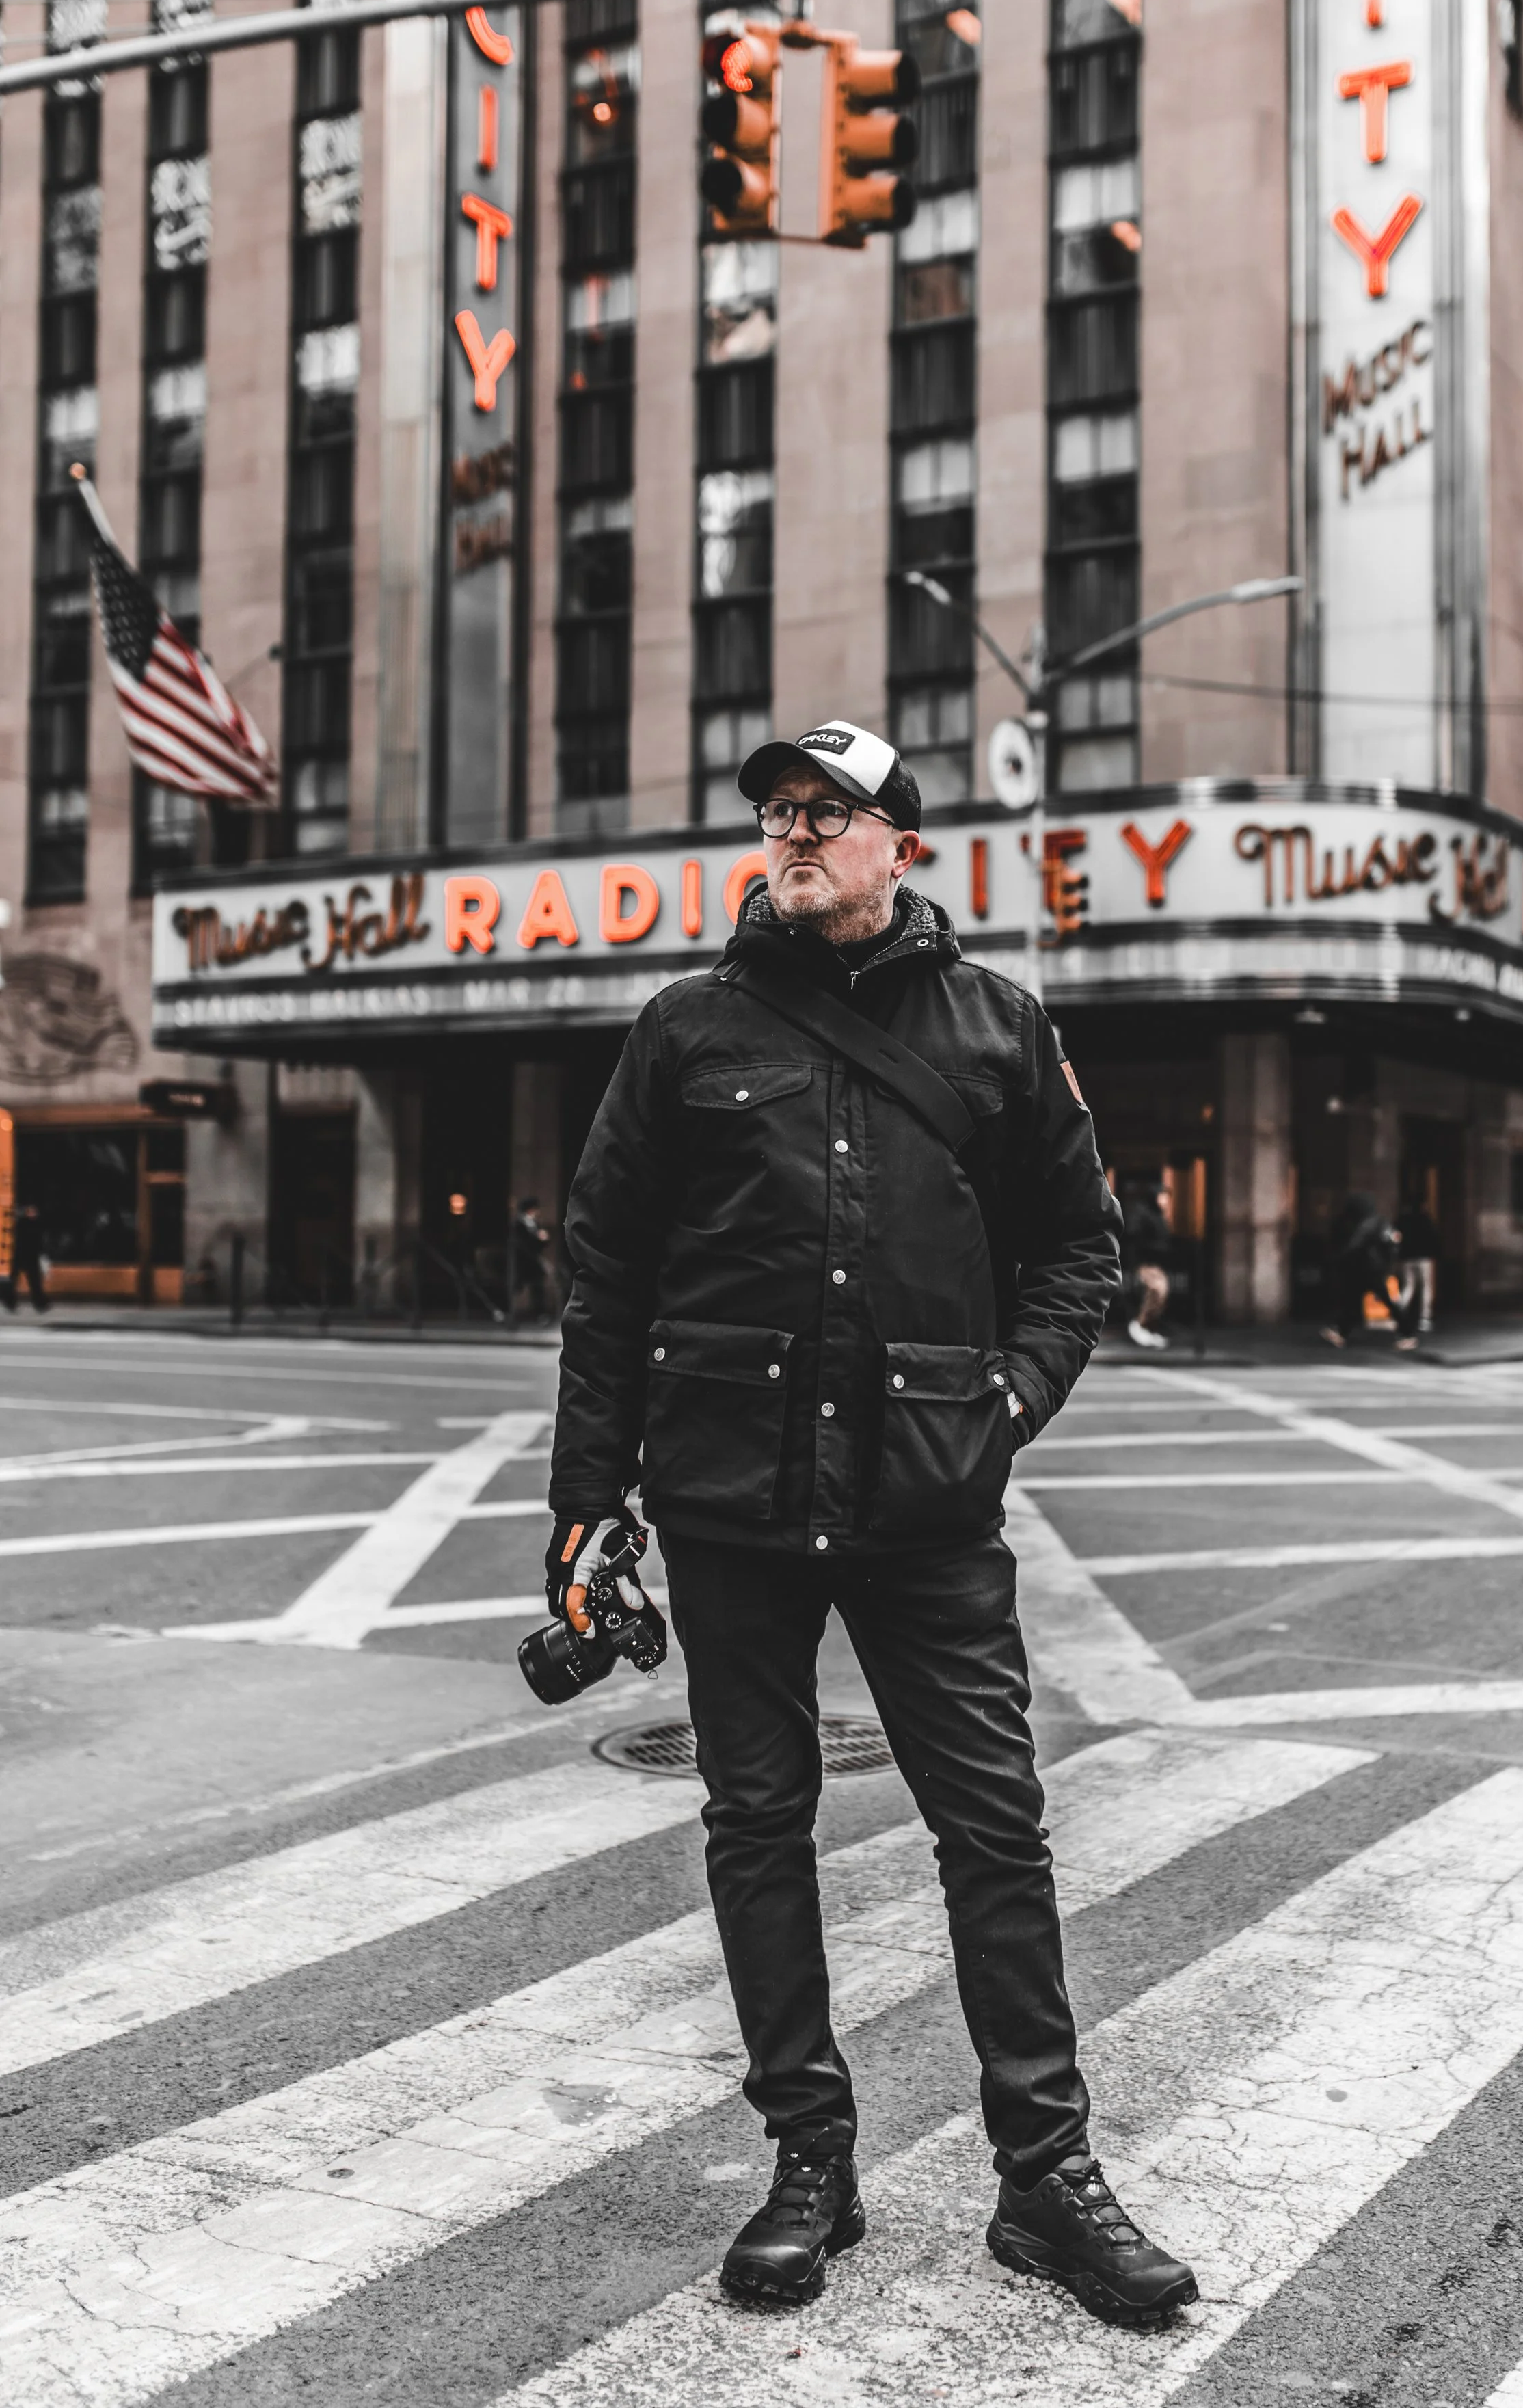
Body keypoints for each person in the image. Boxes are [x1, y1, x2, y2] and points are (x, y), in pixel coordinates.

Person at [545, 719, 1199, 2331]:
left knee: (994, 1825)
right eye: (777, 812)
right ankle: (810, 2161)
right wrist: (584, 1501)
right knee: (757, 1823)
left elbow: (1076, 1250)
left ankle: (1044, 2179)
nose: (793, 833)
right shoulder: (688, 1027)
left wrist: (1008, 1403)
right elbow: (605, 1270)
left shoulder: (995, 1027)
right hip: (727, 1500)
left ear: (903, 841)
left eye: (826, 812)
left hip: (927, 1499)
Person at [1321, 1192, 1396, 1348]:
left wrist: (1341, 1257)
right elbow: (1389, 1244)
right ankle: (1341, 1332)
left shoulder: (1366, 1224)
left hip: (1367, 1269)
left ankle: (1407, 1330)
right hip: (1369, 1268)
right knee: (1356, 1301)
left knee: (1374, 1300)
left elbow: (1355, 1245)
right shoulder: (1376, 1222)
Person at [1121, 1178, 1172, 1351]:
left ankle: (1149, 1327)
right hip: (1146, 1263)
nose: (1165, 1200)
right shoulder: (1144, 1214)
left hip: (1156, 1263)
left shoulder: (1159, 1215)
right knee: (1157, 1290)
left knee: (1161, 1294)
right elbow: (1135, 1237)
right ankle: (1141, 1325)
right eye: (1163, 1196)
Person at [1395, 1196, 1438, 1337]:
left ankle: (1399, 1315)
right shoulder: (1425, 1219)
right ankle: (1425, 1318)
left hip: (1407, 1257)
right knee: (1426, 1287)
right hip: (1424, 1257)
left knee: (1408, 1286)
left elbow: (1396, 1238)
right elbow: (1433, 1236)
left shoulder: (1402, 1220)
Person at [511, 1196, 552, 1323]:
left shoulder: (534, 1223)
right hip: (523, 1262)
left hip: (533, 1262)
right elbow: (522, 1244)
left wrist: (543, 1240)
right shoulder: (518, 1224)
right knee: (517, 1287)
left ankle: (540, 1314)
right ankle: (511, 1313)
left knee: (537, 1288)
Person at [1, 1203, 48, 1315]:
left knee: (33, 1280)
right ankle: (11, 1302)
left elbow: (38, 1240)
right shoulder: (21, 1223)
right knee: (16, 1280)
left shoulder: (32, 1224)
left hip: (26, 1253)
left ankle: (39, 1302)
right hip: (20, 1253)